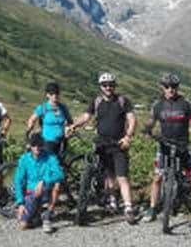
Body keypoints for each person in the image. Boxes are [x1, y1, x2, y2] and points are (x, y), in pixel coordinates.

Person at [142, 73, 191, 226]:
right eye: (167, 87)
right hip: (164, 146)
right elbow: (151, 120)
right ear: (162, 88)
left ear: (177, 87)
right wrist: (147, 129)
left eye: (173, 86)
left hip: (183, 147)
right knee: (157, 178)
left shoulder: (185, 104)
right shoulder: (158, 105)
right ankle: (152, 208)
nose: (170, 89)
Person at [69, 72, 138, 224]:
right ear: (101, 87)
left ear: (114, 86)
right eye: (105, 85)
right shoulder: (97, 101)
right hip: (101, 144)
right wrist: (74, 125)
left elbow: (132, 120)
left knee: (122, 177)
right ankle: (113, 201)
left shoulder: (122, 101)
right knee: (109, 176)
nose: (108, 87)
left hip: (119, 144)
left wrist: (128, 136)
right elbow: (86, 117)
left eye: (111, 85)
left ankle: (128, 208)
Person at [14, 133, 64, 233]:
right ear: (30, 146)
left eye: (39, 145)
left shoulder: (50, 157)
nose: (37, 147)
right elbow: (18, 181)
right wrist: (20, 203)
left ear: (43, 145)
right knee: (23, 226)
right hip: (31, 192)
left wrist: (43, 181)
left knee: (57, 183)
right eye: (34, 145)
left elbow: (60, 174)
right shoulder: (24, 159)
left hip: (46, 188)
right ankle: (35, 213)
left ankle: (47, 215)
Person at [27, 82, 72, 155]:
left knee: (59, 163)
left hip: (62, 141)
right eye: (52, 93)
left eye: (56, 93)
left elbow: (70, 121)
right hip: (47, 141)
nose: (55, 95)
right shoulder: (43, 108)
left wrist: (69, 129)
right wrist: (31, 131)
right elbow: (32, 119)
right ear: (47, 95)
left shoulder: (63, 108)